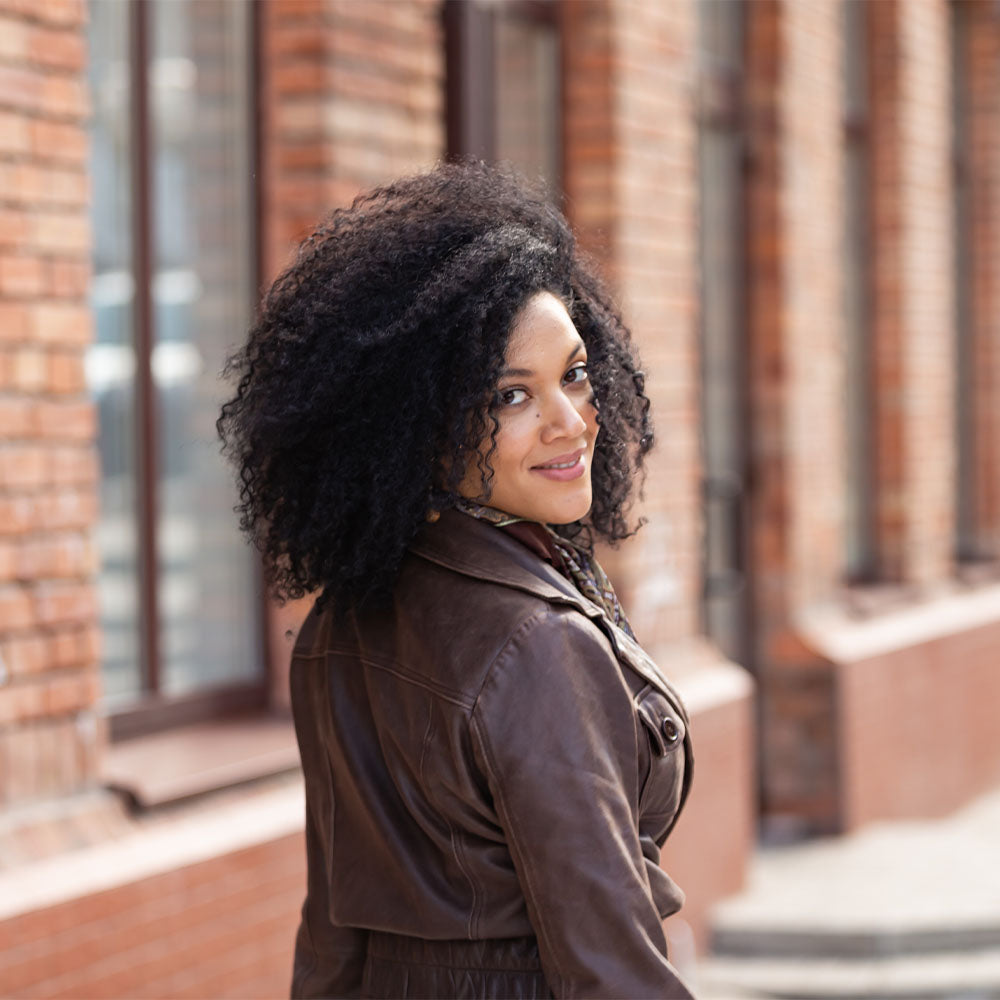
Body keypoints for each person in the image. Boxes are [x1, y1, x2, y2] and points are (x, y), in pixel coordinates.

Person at [217, 162, 695, 999]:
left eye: (575, 374)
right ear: (417, 420)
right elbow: (612, 969)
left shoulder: (337, 627)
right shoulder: (540, 644)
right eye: (511, 395)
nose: (570, 421)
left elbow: (330, 937)